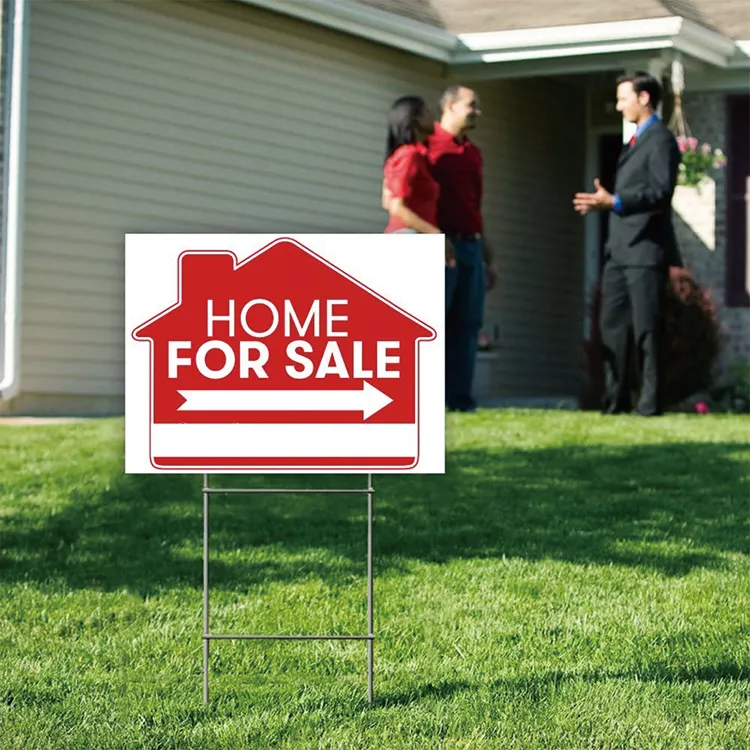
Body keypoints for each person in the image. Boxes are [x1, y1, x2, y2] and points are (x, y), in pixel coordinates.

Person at [573, 71, 681, 416]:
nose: (618, 106)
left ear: (644, 98)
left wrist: (616, 202)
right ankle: (615, 402)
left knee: (646, 330)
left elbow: (660, 192)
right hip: (618, 252)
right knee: (612, 328)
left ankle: (650, 404)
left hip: (646, 251)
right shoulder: (633, 141)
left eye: (623, 98)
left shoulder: (661, 140)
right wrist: (604, 203)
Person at [427, 85, 498, 413]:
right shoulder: (429, 147)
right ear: (451, 106)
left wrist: (488, 255)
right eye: (472, 105)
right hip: (440, 246)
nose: (477, 111)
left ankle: (460, 400)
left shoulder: (474, 152)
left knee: (468, 326)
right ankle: (426, 401)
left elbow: (476, 207)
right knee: (434, 323)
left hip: (471, 247)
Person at [381, 95, 455, 267]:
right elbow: (396, 206)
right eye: (427, 111)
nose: (433, 116)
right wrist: (436, 234)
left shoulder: (409, 155)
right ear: (416, 119)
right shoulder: (409, 155)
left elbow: (386, 201)